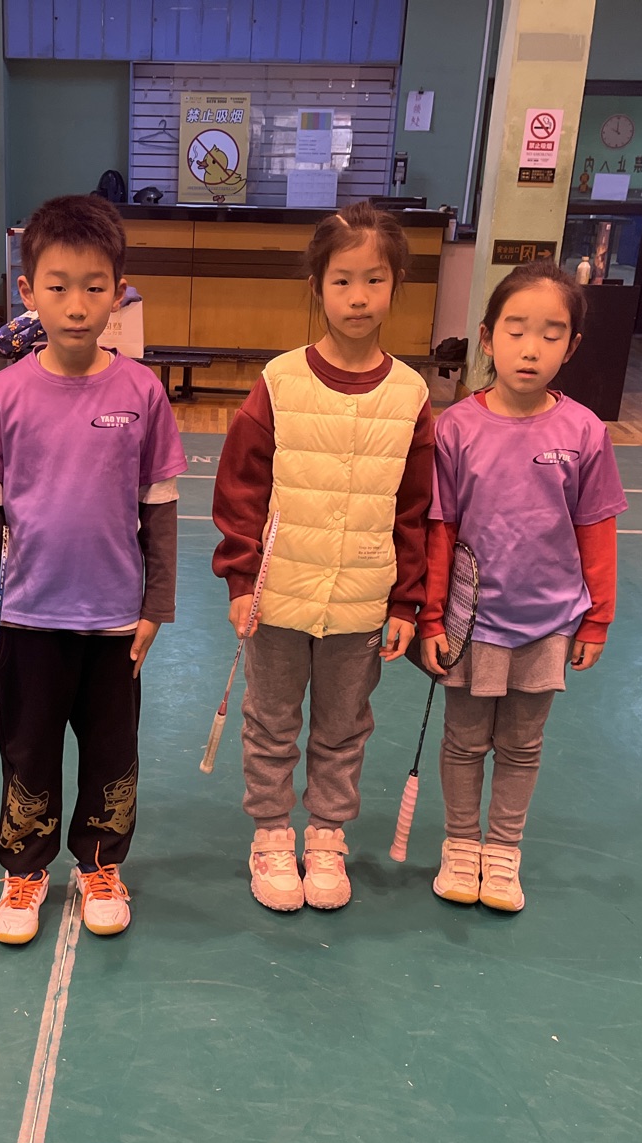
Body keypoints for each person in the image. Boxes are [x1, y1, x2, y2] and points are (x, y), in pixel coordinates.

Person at [0, 195, 187, 945]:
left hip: (114, 623)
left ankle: (100, 864)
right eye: (58, 287)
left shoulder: (142, 392)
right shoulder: (4, 395)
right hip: (27, 619)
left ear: (119, 291)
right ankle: (25, 871)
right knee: (27, 750)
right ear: (29, 292)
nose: (78, 305)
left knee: (111, 754)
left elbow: (159, 509)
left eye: (95, 286)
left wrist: (156, 607)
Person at [211, 201, 435, 914]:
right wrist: (241, 579)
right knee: (271, 721)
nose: (358, 297)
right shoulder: (280, 381)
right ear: (318, 287)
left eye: (374, 280)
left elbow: (415, 510)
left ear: (396, 285)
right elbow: (240, 491)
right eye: (342, 281)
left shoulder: (412, 394)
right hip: (277, 598)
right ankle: (272, 834)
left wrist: (406, 602)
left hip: (362, 605)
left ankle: (328, 834)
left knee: (344, 728)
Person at [419, 259, 627, 913]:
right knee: (464, 740)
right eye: (515, 331)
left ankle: (503, 852)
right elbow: (440, 530)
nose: (531, 348)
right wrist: (432, 618)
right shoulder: (455, 428)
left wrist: (597, 618)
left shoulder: (584, 432)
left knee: (521, 744)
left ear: (573, 346)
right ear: (487, 337)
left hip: (548, 622)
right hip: (472, 624)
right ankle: (461, 845)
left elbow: (596, 528)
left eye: (550, 333)